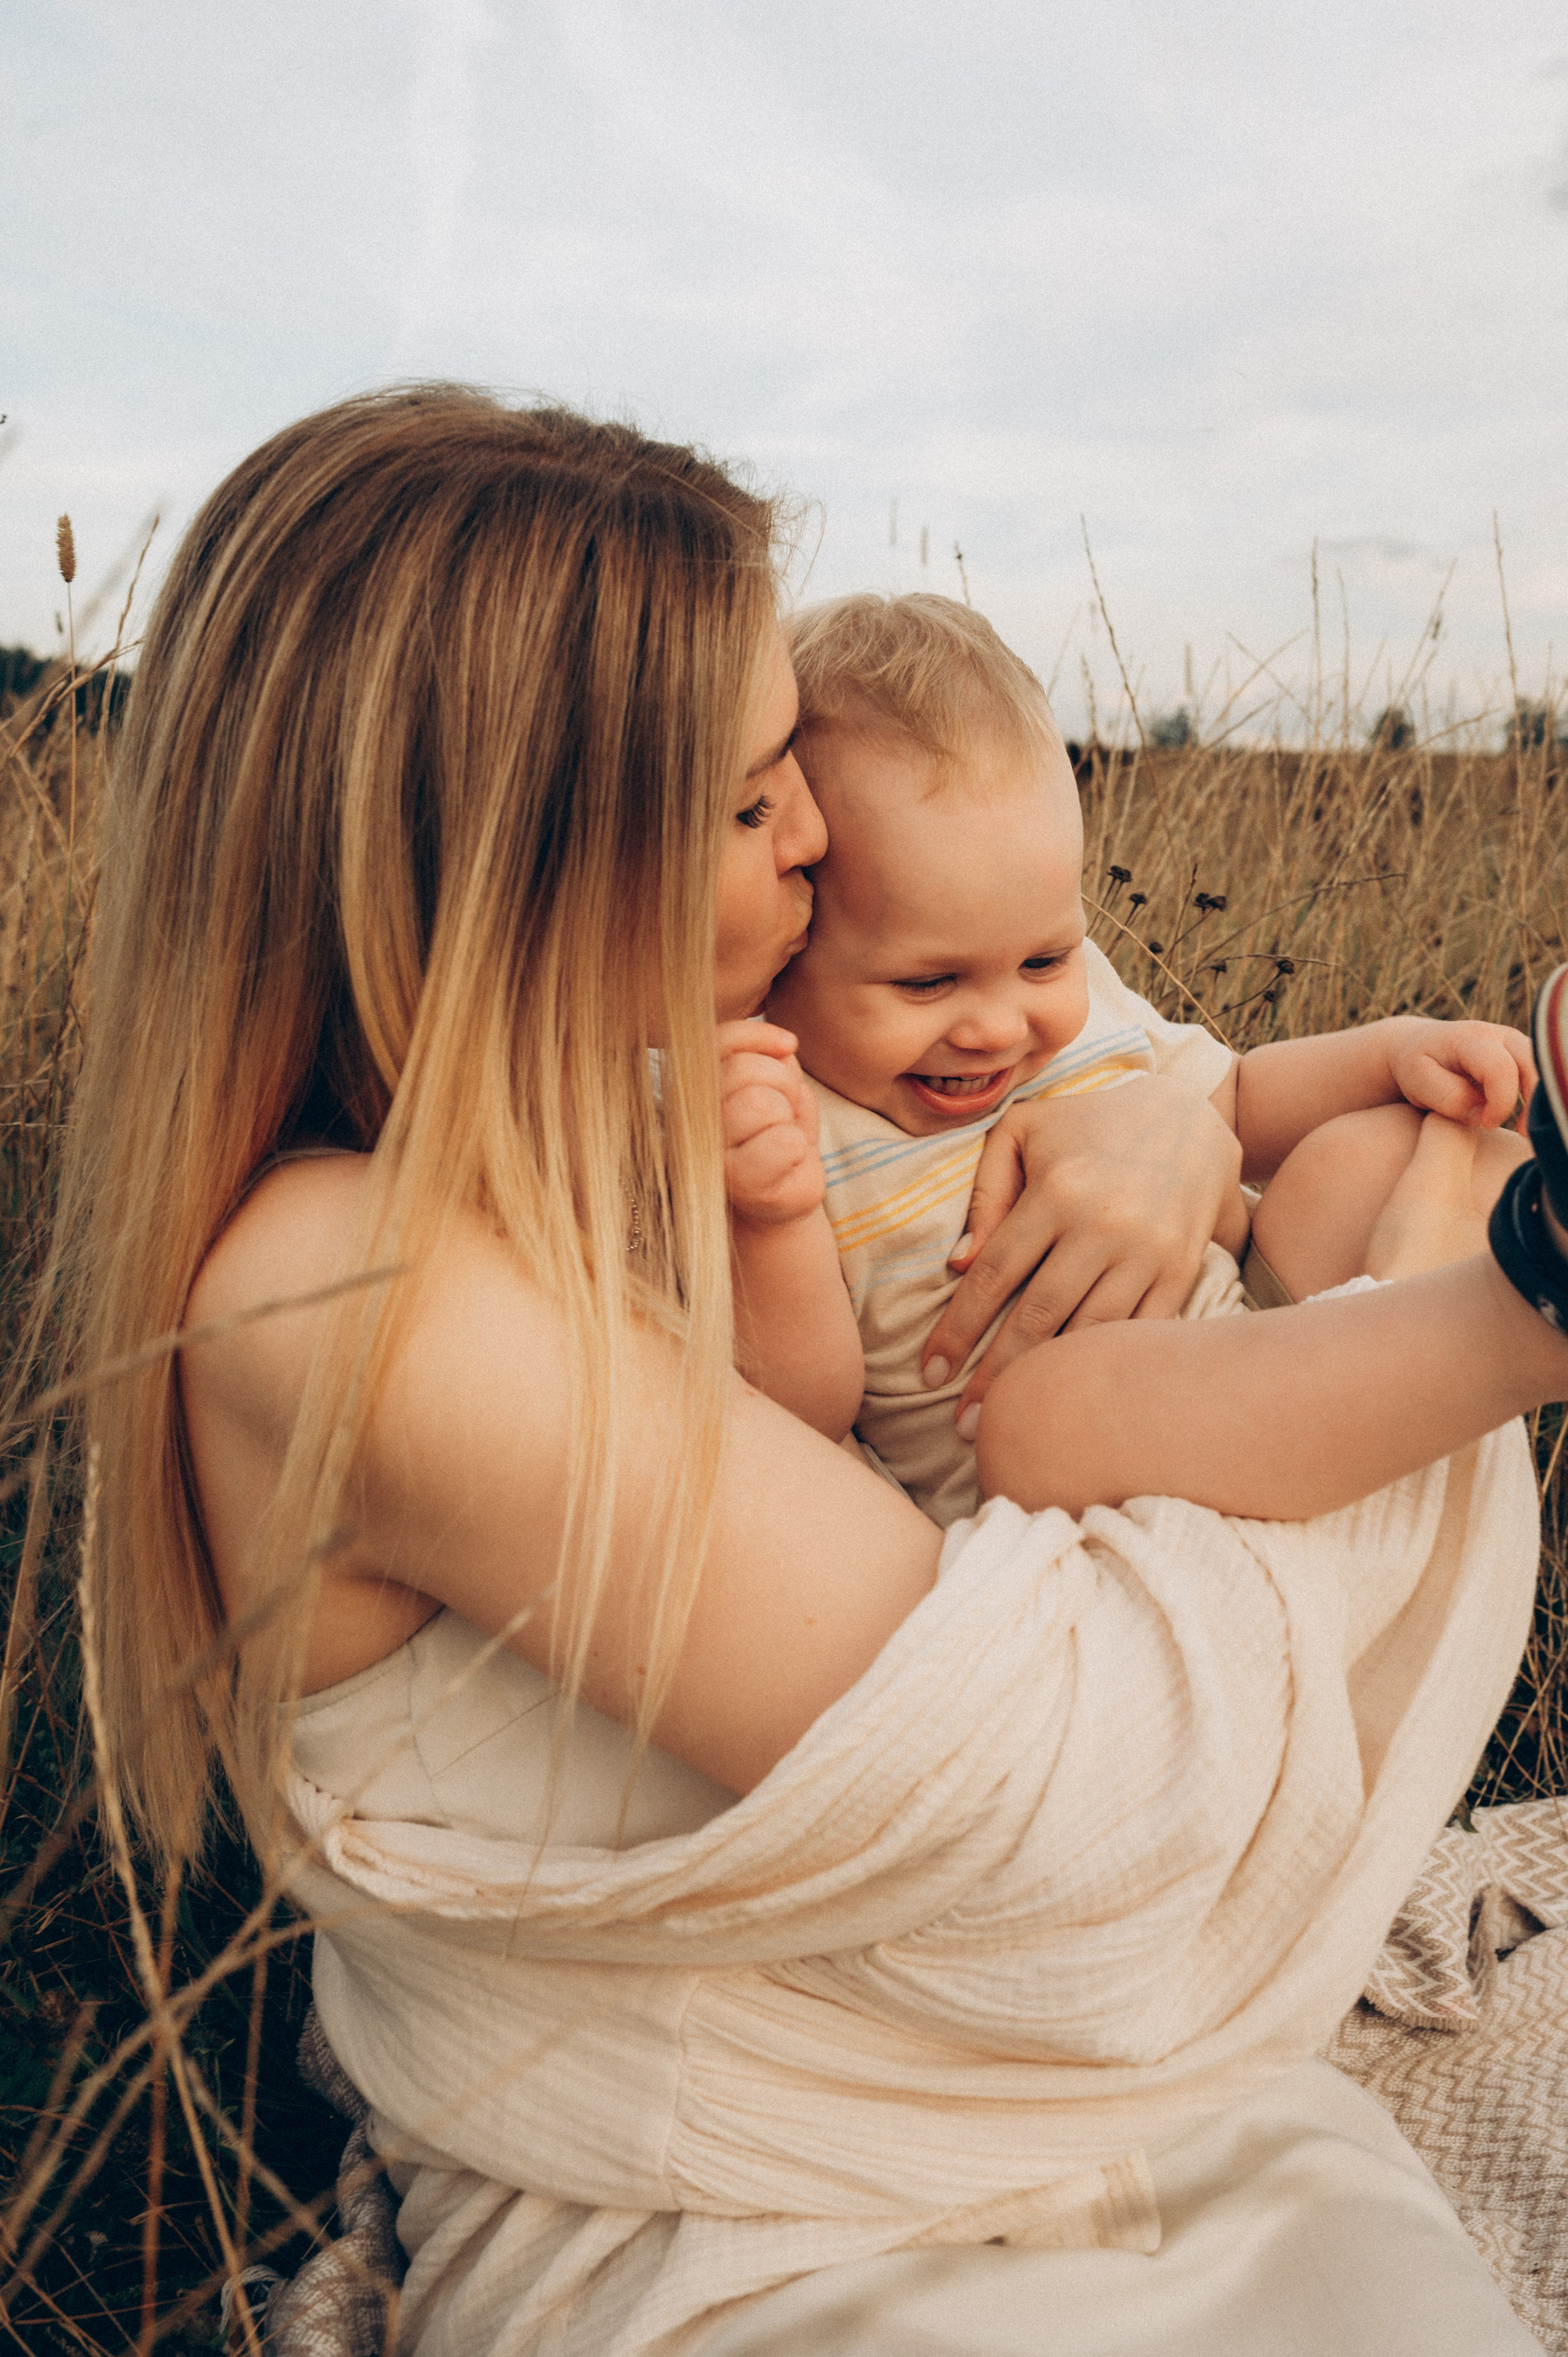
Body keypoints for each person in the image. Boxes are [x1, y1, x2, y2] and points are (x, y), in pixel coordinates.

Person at [33, 384, 1568, 2356]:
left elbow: (1115, 1061)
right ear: (522, 852)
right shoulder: (349, 1286)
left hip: (1092, 2098)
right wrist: (1428, 1273)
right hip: (772, 2213)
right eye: (757, 798)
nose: (823, 834)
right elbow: (1067, 1793)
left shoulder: (715, 1057)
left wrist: (1164, 1135)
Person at [731, 592, 1534, 1523]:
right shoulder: (782, 1117)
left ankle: (1490, 1269)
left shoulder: (1088, 1006)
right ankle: (1493, 1331)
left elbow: (1234, 1097)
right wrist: (771, 1222)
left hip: (1267, 1361)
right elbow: (804, 1411)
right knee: (1044, 1410)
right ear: (791, 951)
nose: (999, 1024)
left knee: (1386, 1154)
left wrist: (1399, 1049)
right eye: (926, 984)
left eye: (1043, 959)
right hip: (1069, 1499)